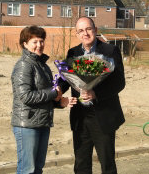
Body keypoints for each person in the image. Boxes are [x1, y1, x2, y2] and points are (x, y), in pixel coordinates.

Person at [59, 17, 125, 174]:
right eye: (81, 31)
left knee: (107, 164)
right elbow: (66, 79)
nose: (85, 33)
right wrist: (58, 92)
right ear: (77, 34)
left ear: (95, 30)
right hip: (80, 117)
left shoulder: (110, 51)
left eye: (88, 29)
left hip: (102, 115)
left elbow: (119, 82)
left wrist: (96, 93)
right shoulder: (72, 52)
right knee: (81, 164)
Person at [11, 25, 76, 174]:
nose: (39, 45)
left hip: (42, 122)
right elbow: (25, 96)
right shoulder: (24, 66)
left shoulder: (43, 66)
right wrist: (54, 93)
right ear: (25, 44)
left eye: (41, 41)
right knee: (27, 170)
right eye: (34, 42)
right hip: (27, 124)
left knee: (38, 168)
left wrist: (60, 102)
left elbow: (45, 95)